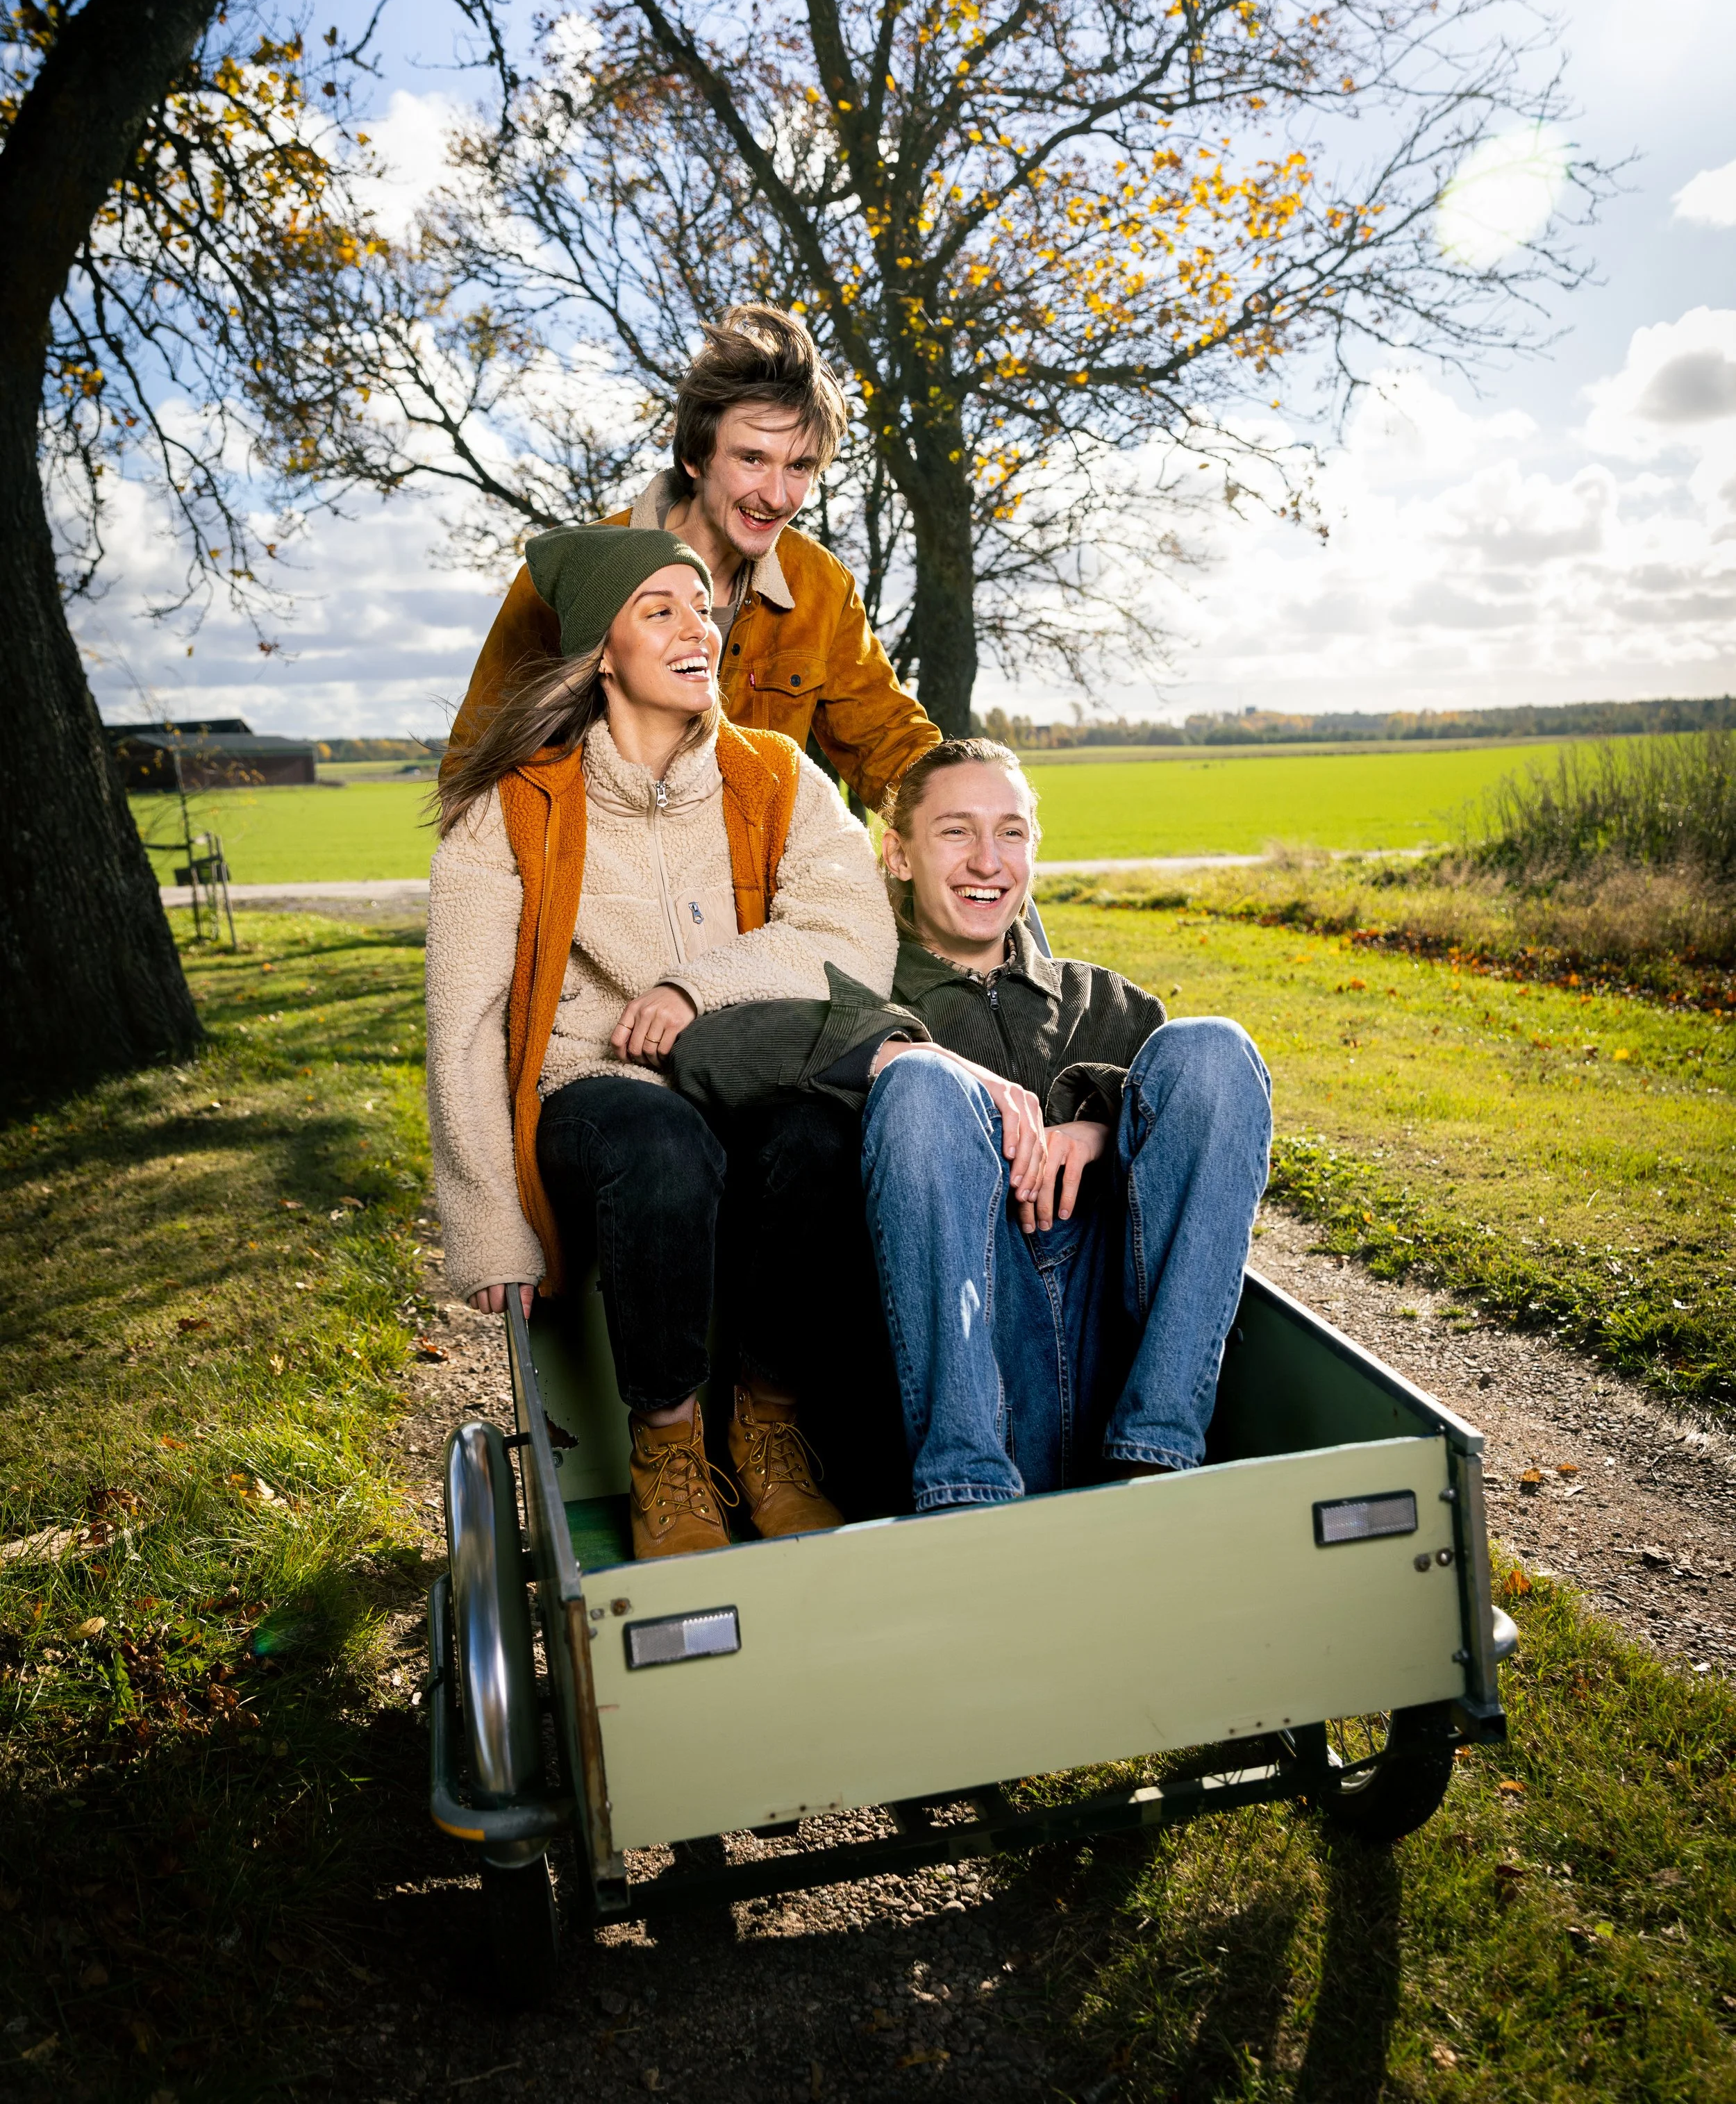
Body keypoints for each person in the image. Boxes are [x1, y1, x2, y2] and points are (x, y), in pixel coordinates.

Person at [425, 522, 900, 1560]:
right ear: (604, 651)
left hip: (745, 1068)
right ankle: (668, 1451)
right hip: (590, 1091)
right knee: (656, 1138)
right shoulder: (510, 808)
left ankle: (768, 1427)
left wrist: (698, 986)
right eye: (663, 611)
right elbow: (461, 1025)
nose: (702, 628)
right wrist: (487, 1225)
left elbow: (855, 936)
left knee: (820, 1140)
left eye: (703, 607)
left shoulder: (777, 776)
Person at [665, 739, 1272, 1514]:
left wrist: (1094, 1119)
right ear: (898, 856)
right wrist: (895, 1050)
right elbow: (704, 1052)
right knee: (922, 1084)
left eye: (1010, 833)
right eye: (955, 831)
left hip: (1112, 1359)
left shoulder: (1108, 1006)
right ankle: (965, 1488)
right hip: (945, 1384)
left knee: (1215, 1046)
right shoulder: (851, 990)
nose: (988, 861)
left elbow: (1216, 1159)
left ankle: (1159, 1464)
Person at [442, 304, 941, 817]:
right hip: (603, 885)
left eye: (800, 467)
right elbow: (474, 768)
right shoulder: (568, 576)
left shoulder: (820, 584)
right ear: (695, 456)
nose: (776, 496)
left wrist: (972, 818)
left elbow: (890, 744)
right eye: (752, 459)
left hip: (756, 891)